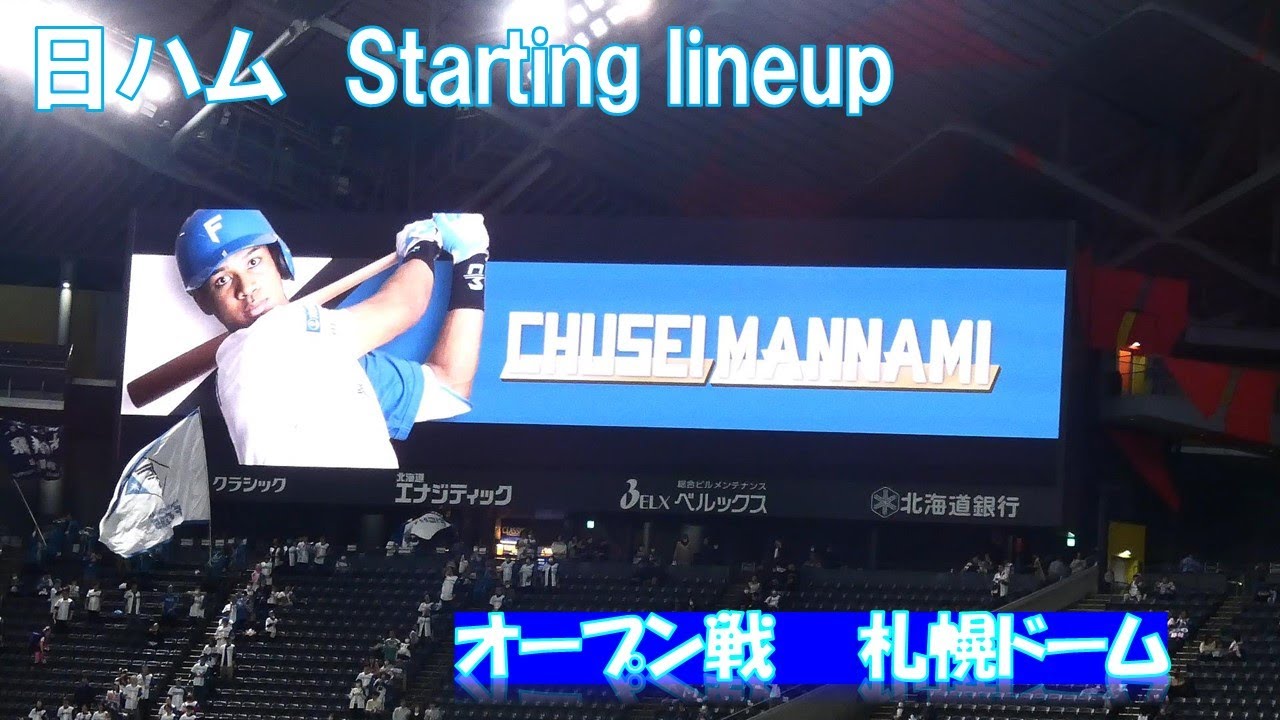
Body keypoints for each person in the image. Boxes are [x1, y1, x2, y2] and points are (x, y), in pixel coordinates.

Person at [170, 210, 489, 469]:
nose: (247, 288)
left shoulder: (327, 363)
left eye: (253, 262)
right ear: (205, 301)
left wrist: (471, 263)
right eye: (222, 281)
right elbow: (403, 306)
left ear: (278, 261)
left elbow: (449, 386)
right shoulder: (270, 340)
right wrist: (421, 247)